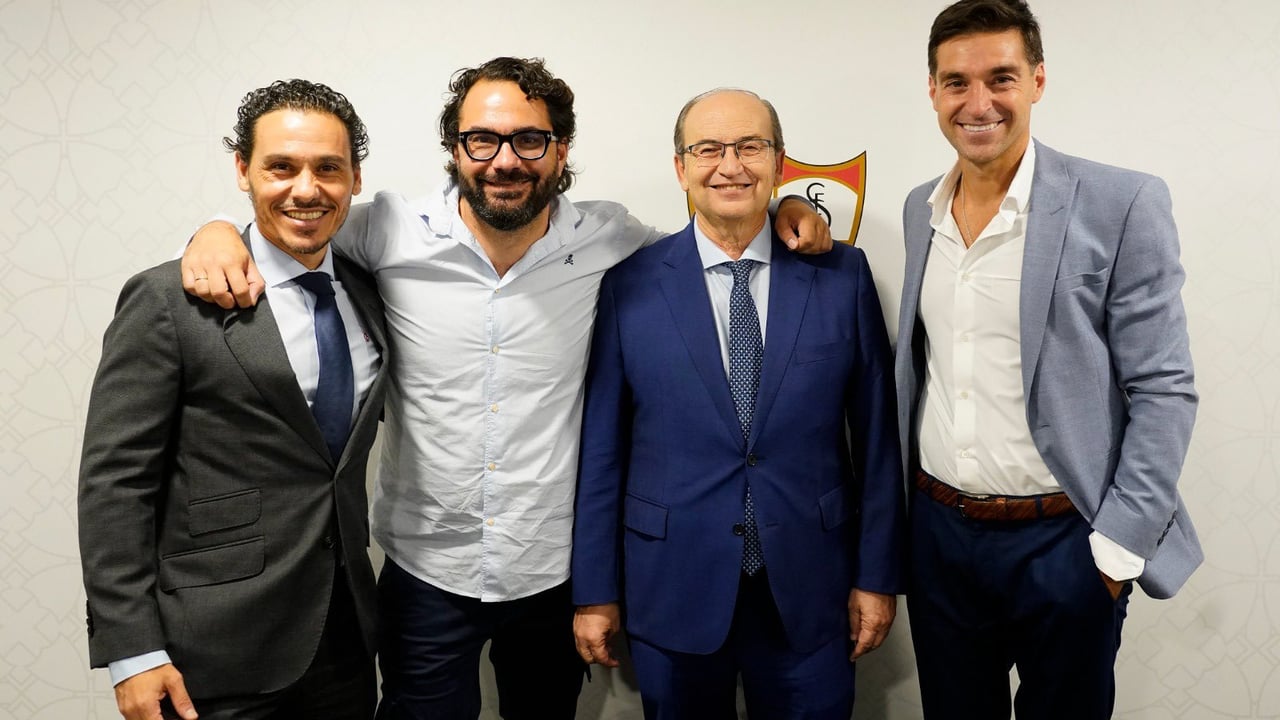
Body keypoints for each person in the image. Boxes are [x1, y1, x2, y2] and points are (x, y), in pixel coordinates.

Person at [179, 58, 830, 720]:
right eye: (482, 140)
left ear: (560, 151)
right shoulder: (389, 230)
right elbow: (295, 215)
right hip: (426, 567)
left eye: (529, 140)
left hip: (551, 569)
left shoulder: (609, 238)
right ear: (455, 148)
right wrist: (216, 231)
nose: (505, 160)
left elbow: (712, 245)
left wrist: (784, 206)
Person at [894, 2, 1202, 718]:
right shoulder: (919, 209)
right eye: (956, 82)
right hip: (940, 536)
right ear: (933, 90)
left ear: (1037, 80)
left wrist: (1115, 549)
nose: (978, 103)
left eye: (1000, 78)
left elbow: (1164, 386)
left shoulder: (1121, 202)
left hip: (1066, 542)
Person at [571, 88, 904, 719]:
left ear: (779, 163)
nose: (731, 165)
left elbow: (878, 443)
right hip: (672, 584)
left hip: (812, 586)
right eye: (709, 149)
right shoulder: (628, 285)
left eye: (750, 146)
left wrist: (877, 575)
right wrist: (594, 592)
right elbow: (603, 453)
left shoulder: (843, 276)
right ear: (681, 168)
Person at [78, 79, 388, 720]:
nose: (306, 189)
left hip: (346, 639)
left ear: (355, 179)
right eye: (281, 167)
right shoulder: (169, 299)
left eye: (328, 168)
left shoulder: (370, 292)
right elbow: (115, 483)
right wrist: (132, 650)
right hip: (211, 651)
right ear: (243, 170)